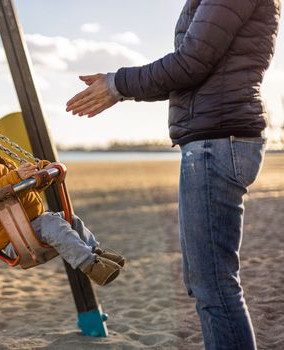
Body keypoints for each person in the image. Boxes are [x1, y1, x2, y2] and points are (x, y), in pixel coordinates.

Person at [65, 0, 281, 348]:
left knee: (213, 282)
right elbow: (191, 71)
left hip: (216, 141)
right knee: (205, 280)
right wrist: (119, 91)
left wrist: (118, 83)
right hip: (212, 139)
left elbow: (191, 63)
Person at [0, 134, 126, 286]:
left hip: (31, 226)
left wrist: (41, 172)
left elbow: (23, 189)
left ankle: (96, 253)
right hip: (15, 239)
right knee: (53, 223)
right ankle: (90, 266)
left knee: (70, 220)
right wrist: (15, 177)